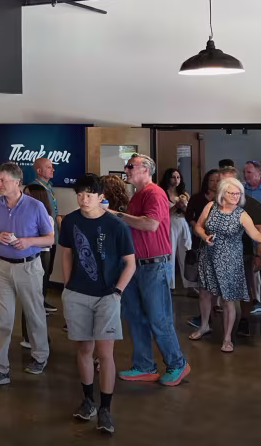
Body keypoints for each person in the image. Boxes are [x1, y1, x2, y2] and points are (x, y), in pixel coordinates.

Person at [59, 174, 136, 435]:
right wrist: (68, 286)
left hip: (107, 296)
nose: (84, 199)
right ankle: (87, 400)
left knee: (105, 353)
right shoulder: (70, 221)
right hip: (77, 294)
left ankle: (105, 408)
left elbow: (130, 263)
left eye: (89, 194)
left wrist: (117, 292)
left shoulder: (116, 225)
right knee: (84, 349)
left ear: (101, 196)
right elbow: (66, 253)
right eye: (80, 194)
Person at [113, 154, 190, 386]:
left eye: (130, 166)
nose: (125, 170)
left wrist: (115, 215)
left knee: (159, 318)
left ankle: (177, 364)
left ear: (145, 169)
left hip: (154, 265)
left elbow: (150, 224)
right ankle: (144, 366)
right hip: (136, 265)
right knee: (135, 317)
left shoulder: (154, 192)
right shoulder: (137, 195)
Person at [0, 161, 53, 386]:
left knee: (34, 314)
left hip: (28, 266)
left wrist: (29, 241)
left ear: (17, 182)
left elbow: (50, 238)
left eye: (3, 180)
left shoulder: (35, 206)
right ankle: (0, 368)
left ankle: (40, 356)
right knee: (1, 320)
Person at [189, 176, 261, 352]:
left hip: (230, 262)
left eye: (238, 193)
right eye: (232, 193)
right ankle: (205, 325)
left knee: (228, 300)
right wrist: (204, 236)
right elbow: (198, 226)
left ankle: (227, 337)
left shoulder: (241, 214)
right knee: (204, 294)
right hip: (208, 257)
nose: (236, 196)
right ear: (222, 193)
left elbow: (256, 235)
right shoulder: (210, 207)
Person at [20, 182, 56, 349]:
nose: (24, 197)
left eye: (28, 194)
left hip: (40, 256)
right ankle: (29, 336)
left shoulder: (46, 216)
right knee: (29, 298)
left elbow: (47, 240)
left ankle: (35, 337)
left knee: (35, 299)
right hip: (31, 256)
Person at [185, 169, 220, 328]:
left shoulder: (222, 199)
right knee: (202, 280)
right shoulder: (198, 198)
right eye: (212, 180)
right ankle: (206, 316)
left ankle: (212, 311)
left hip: (216, 243)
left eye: (217, 180)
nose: (214, 183)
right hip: (198, 240)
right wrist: (196, 227)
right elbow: (189, 215)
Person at [32, 157, 62, 313]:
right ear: (39, 171)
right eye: (49, 167)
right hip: (42, 240)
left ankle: (41, 301)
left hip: (53, 237)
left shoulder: (49, 186)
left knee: (47, 271)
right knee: (41, 272)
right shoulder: (34, 189)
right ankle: (37, 304)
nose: (53, 169)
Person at [242, 161, 261, 315]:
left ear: (259, 174)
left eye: (249, 172)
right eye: (244, 172)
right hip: (248, 238)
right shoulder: (241, 190)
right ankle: (255, 300)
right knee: (253, 272)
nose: (245, 175)